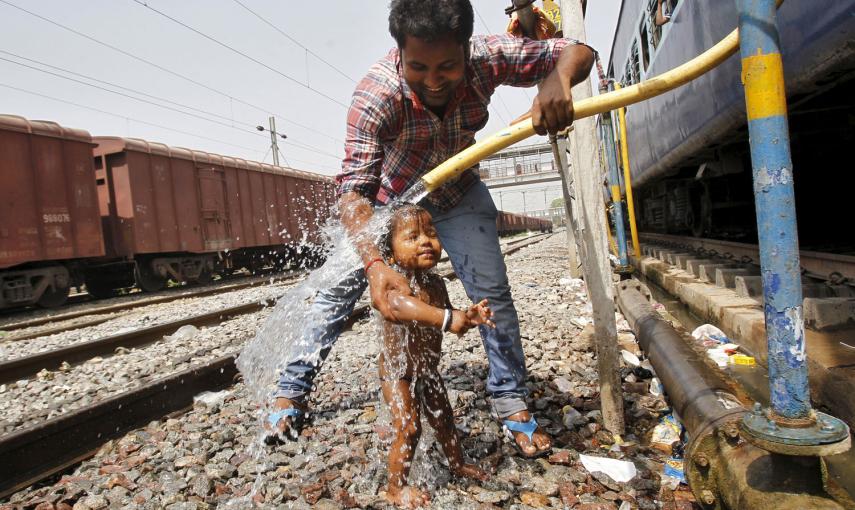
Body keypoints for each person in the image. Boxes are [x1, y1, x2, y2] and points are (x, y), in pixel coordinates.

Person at [266, 0, 595, 458]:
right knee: (335, 295)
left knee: (492, 293)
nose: (435, 80)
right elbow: (354, 193)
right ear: (399, 51)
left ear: (467, 49)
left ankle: (511, 400)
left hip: (458, 190)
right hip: (389, 201)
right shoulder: (375, 95)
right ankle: (290, 390)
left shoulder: (490, 56)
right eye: (419, 67)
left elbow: (577, 50)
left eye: (448, 66)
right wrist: (375, 263)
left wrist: (557, 80)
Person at [376, 204, 491, 508]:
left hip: (428, 369)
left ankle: (457, 463)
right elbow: (402, 307)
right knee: (409, 427)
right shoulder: (394, 284)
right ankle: (395, 487)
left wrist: (468, 316)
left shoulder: (437, 283)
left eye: (431, 233)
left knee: (445, 420)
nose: (426, 241)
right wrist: (446, 318)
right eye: (411, 237)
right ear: (389, 253)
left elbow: (452, 319)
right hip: (397, 373)